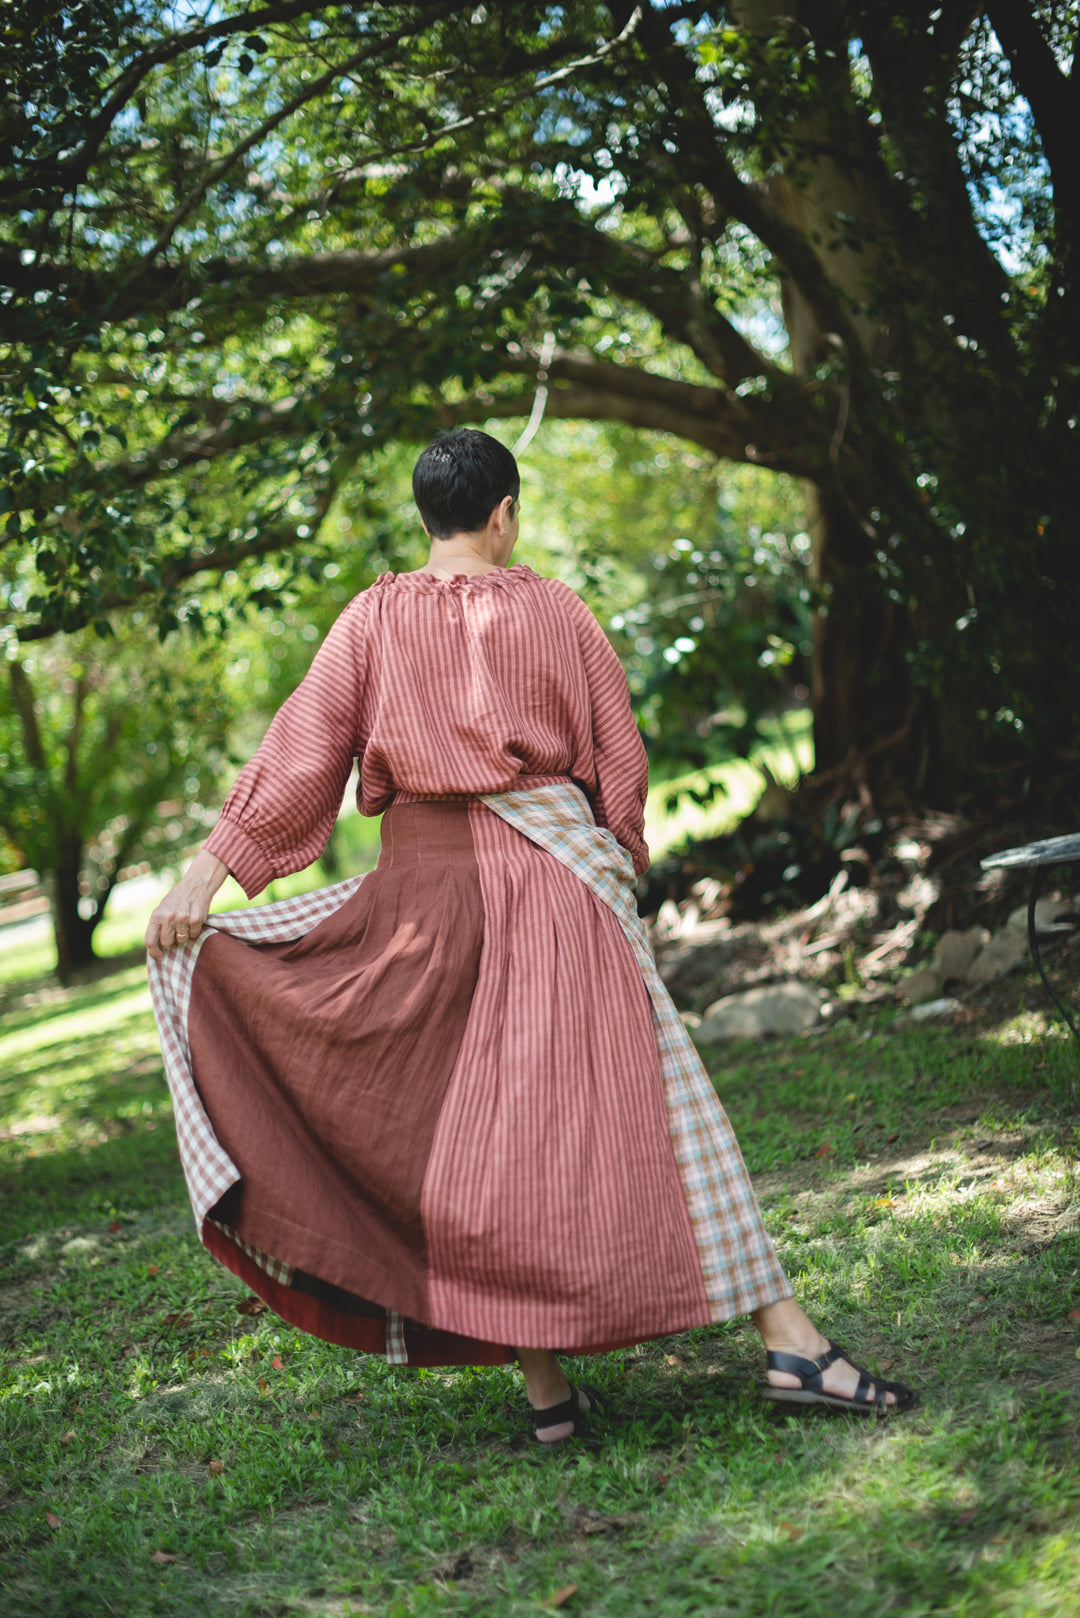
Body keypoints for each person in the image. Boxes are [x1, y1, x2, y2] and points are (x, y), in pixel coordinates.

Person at [145, 428, 913, 1440]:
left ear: (429, 516)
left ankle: (551, 1394)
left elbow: (302, 754)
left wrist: (208, 873)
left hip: (424, 896)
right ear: (504, 511)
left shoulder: (370, 619)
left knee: (489, 1142)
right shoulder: (555, 608)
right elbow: (617, 756)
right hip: (551, 883)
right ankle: (793, 1344)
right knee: (659, 1099)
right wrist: (616, 855)